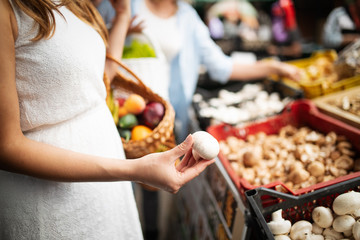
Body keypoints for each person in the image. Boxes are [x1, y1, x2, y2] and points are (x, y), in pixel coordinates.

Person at [0, 0, 216, 239]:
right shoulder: (7, 9)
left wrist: (122, 16)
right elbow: (6, 147)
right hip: (50, 204)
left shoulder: (75, 4)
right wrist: (134, 169)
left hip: (107, 194)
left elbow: (95, 85)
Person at [131, 0, 302, 143]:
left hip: (162, 119)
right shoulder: (128, 5)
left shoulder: (187, 16)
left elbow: (222, 67)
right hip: (125, 107)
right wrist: (121, 27)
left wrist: (273, 67)